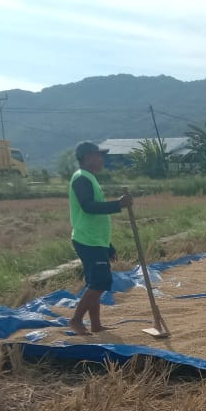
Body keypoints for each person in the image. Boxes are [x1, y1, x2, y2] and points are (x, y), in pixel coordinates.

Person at [67, 141, 133, 335]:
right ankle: (76, 320)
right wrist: (118, 205)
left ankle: (95, 325)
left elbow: (95, 214)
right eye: (98, 155)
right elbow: (88, 206)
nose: (101, 159)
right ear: (88, 157)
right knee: (100, 282)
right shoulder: (81, 179)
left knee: (95, 282)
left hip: (96, 240)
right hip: (87, 240)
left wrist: (108, 246)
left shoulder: (90, 178)